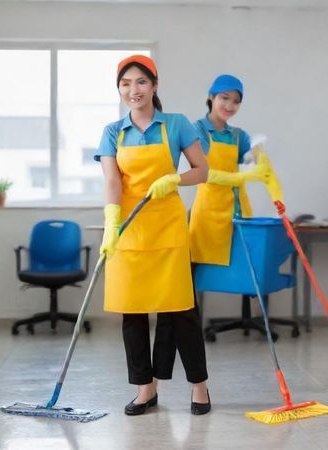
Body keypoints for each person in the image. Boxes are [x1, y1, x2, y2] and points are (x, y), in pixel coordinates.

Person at [96, 55, 212, 416]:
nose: (134, 90)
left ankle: (199, 386)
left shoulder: (175, 124)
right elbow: (113, 180)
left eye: (141, 82)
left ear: (155, 86)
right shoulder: (113, 131)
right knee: (132, 313)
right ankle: (145, 389)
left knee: (180, 310)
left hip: (168, 226)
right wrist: (112, 222)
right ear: (119, 89)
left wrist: (175, 179)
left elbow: (202, 171)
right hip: (130, 231)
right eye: (126, 83)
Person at [189, 74, 267, 266]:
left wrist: (257, 154)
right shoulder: (197, 130)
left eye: (236, 101)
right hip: (208, 213)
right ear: (211, 97)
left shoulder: (238, 136)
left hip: (238, 212)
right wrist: (243, 175)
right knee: (197, 271)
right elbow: (203, 171)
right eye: (224, 98)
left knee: (243, 269)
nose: (230, 106)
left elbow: (255, 163)